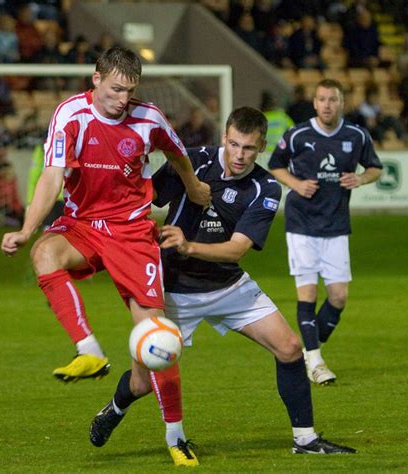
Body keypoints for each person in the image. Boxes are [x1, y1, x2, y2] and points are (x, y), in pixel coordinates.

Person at [89, 107, 356, 465]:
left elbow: (239, 249)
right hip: (175, 290)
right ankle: (116, 408)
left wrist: (189, 245)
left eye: (248, 147)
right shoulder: (193, 163)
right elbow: (143, 200)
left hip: (229, 287)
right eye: (233, 144)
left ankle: (305, 438)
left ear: (261, 146)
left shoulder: (265, 186)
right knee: (141, 381)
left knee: (291, 348)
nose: (239, 155)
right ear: (224, 137)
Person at [0, 46, 210, 392]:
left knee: (156, 337)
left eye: (131, 91)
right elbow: (52, 176)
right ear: (96, 80)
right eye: (116, 89)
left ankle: (174, 434)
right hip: (82, 224)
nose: (123, 99)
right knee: (43, 252)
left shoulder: (149, 117)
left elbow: (176, 152)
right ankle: (89, 351)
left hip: (131, 231)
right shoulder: (70, 114)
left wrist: (194, 185)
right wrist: (26, 229)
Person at [268, 79, 383, 385]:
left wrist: (361, 179)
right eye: (321, 99)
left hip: (336, 226)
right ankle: (316, 362)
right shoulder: (298, 135)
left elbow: (375, 168)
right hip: (301, 225)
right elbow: (275, 165)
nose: (327, 105)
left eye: (333, 99)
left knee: (339, 297)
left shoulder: (356, 135)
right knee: (308, 293)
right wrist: (295, 184)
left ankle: (307, 346)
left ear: (341, 102)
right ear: (315, 103)